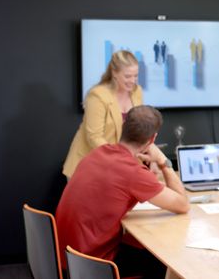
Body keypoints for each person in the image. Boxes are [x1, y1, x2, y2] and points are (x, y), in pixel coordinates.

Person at [56, 105, 190, 278]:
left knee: (139, 243)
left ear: (123, 127)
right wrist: (163, 161)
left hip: (68, 259)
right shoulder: (132, 172)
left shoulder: (96, 154)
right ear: (152, 139)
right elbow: (183, 204)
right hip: (92, 266)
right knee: (161, 256)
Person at [62, 50, 143, 178]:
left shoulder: (136, 91)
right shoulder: (98, 95)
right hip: (88, 167)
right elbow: (94, 137)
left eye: (136, 76)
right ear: (114, 73)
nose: (133, 81)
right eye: (128, 76)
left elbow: (139, 127)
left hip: (115, 166)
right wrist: (120, 159)